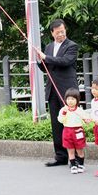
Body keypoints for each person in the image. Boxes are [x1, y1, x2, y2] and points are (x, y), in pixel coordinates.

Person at [36, 19, 79, 167]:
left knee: (72, 123)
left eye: (63, 31)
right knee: (56, 123)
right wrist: (40, 61)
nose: (61, 34)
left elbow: (65, 61)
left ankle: (77, 157)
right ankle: (60, 156)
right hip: (52, 89)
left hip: (68, 90)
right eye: (58, 32)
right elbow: (46, 68)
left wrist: (46, 58)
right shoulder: (48, 47)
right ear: (52, 33)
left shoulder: (72, 46)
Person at [57, 88, 89, 174]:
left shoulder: (79, 110)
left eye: (73, 99)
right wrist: (64, 113)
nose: (70, 101)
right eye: (68, 99)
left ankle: (81, 165)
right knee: (70, 150)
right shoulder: (64, 110)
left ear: (77, 100)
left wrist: (86, 120)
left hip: (78, 131)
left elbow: (85, 119)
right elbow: (60, 120)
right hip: (67, 131)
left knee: (80, 150)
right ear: (65, 100)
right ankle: (73, 165)